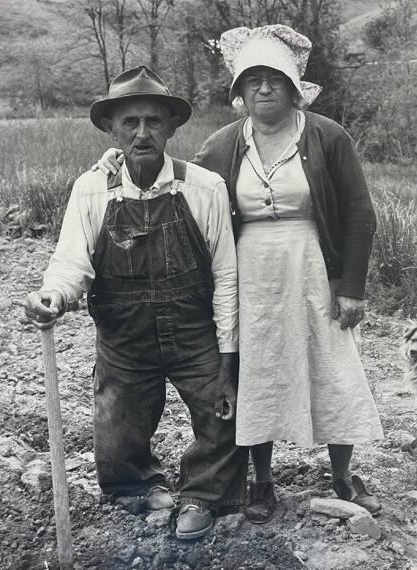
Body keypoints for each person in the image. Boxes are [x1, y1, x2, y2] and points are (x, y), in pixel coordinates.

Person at [95, 25, 384, 524]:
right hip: (249, 272)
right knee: (256, 372)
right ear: (239, 92)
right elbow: (178, 180)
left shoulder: (327, 135)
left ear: (295, 87)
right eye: (253, 80)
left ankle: (342, 476)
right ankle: (261, 482)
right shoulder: (225, 143)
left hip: (312, 266)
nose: (264, 88)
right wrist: (120, 160)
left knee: (333, 370)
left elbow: (359, 211)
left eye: (275, 78)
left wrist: (351, 287)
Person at [25, 65, 248, 540]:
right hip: (123, 333)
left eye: (153, 121)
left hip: (194, 331)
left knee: (222, 412)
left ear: (170, 127)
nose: (142, 133)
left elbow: (227, 277)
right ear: (112, 128)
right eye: (130, 122)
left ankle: (204, 495)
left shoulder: (203, 187)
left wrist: (228, 360)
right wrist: (53, 295)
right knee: (116, 420)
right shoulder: (91, 189)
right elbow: (71, 263)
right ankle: (136, 488)